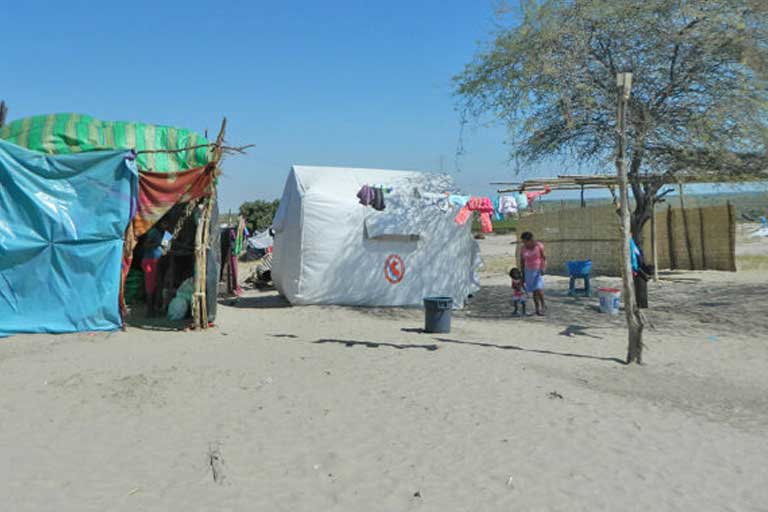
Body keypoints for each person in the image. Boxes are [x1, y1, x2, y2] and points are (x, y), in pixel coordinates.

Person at [519, 231, 547, 316]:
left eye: (525, 241)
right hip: (528, 271)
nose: (524, 243)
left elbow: (544, 258)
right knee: (534, 290)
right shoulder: (523, 248)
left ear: (530, 240)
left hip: (538, 269)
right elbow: (522, 261)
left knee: (539, 288)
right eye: (523, 241)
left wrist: (543, 267)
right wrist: (522, 274)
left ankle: (543, 305)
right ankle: (537, 308)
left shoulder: (539, 246)